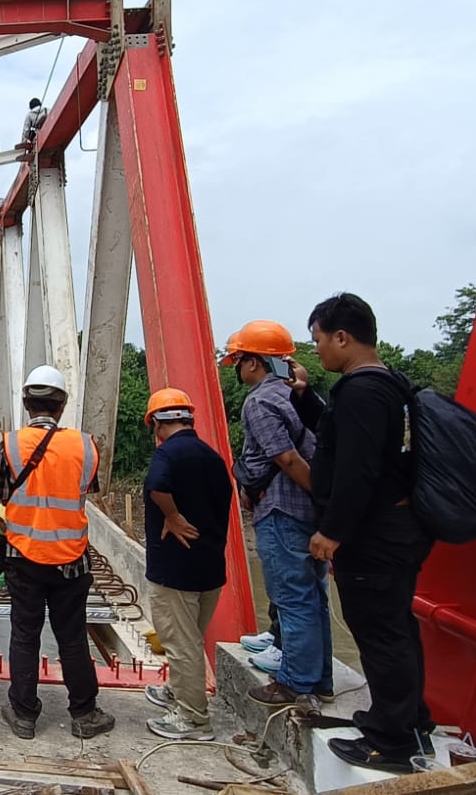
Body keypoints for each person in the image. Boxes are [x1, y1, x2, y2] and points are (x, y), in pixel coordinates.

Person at [305, 294, 433, 772]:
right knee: (397, 628)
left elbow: (357, 471)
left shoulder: (361, 392)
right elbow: (348, 444)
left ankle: (390, 743)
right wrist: (305, 399)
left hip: (375, 535)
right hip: (395, 528)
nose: (317, 350)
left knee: (380, 633)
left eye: (319, 340)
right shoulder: (386, 385)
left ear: (343, 337)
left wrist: (331, 532)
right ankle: (410, 721)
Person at [0, 366, 113, 739]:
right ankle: (84, 714)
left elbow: (3, 496)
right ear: (62, 405)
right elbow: (88, 488)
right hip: (71, 559)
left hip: (23, 556)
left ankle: (25, 714)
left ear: (26, 403)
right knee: (72, 635)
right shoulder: (84, 445)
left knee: (25, 634)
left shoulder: (10, 444)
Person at [220, 321, 332, 711]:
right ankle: (320, 679)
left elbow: (285, 458)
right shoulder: (291, 397)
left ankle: (295, 682)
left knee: (292, 597)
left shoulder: (261, 402)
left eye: (238, 360)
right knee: (314, 596)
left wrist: (319, 495)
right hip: (303, 512)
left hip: (283, 510)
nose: (236, 369)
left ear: (254, 363)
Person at [138, 387, 232, 741]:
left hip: (175, 571)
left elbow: (156, 485)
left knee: (182, 643)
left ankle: (194, 719)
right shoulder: (212, 456)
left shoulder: (168, 455)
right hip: (209, 569)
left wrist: (173, 516)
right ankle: (179, 693)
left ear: (157, 425)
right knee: (190, 639)